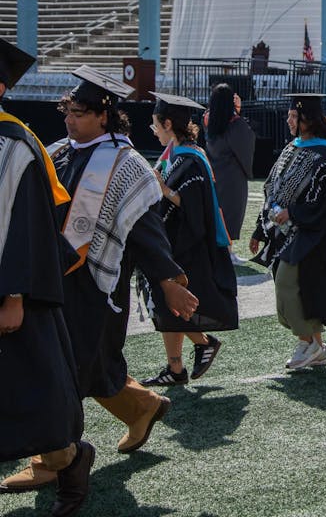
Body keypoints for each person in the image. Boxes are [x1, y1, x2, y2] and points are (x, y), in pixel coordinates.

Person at [3, 67, 199, 496]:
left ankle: (52, 460)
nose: (70, 120)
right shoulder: (55, 151)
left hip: (92, 287)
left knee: (64, 371)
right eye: (67, 111)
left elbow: (148, 230)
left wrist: (168, 281)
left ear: (104, 116)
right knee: (85, 368)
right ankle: (142, 406)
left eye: (78, 113)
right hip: (51, 277)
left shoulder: (128, 166)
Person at [0, 40, 95, 516]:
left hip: (14, 295)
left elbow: (30, 225)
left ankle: (71, 464)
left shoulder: (14, 144)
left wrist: (14, 293)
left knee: (38, 404)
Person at [249, 94, 326, 371]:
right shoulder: (293, 148)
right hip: (284, 232)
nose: (289, 120)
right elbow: (273, 188)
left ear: (307, 120)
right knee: (303, 291)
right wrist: (260, 230)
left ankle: (308, 342)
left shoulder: (324, 155)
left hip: (313, 235)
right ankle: (316, 348)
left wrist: (294, 213)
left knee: (289, 284)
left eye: (294, 116)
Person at [140, 93, 238, 386]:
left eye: (155, 124)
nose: (154, 129)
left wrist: (164, 190)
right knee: (167, 306)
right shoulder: (174, 154)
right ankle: (176, 368)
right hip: (170, 243)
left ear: (168, 123)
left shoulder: (191, 159)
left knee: (171, 304)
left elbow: (195, 207)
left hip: (186, 246)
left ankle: (202, 344)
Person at [204, 83, 255, 246]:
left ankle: (225, 250)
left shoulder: (208, 119)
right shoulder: (235, 123)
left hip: (214, 172)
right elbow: (245, 141)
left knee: (217, 211)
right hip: (232, 175)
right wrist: (238, 112)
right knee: (231, 212)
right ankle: (227, 251)